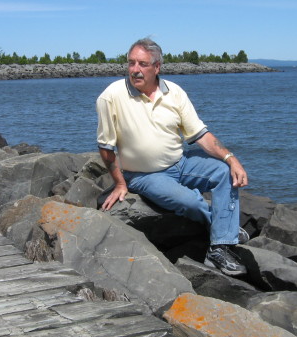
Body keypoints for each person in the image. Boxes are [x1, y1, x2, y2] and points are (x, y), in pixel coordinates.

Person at [96, 38, 249, 276]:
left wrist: (231, 158)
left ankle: (218, 249)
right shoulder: (111, 96)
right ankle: (222, 227)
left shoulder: (174, 92)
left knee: (224, 172)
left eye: (143, 64)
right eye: (131, 63)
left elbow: (201, 135)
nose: (135, 69)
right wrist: (119, 182)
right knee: (191, 202)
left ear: (157, 67)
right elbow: (106, 147)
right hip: (144, 175)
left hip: (181, 163)